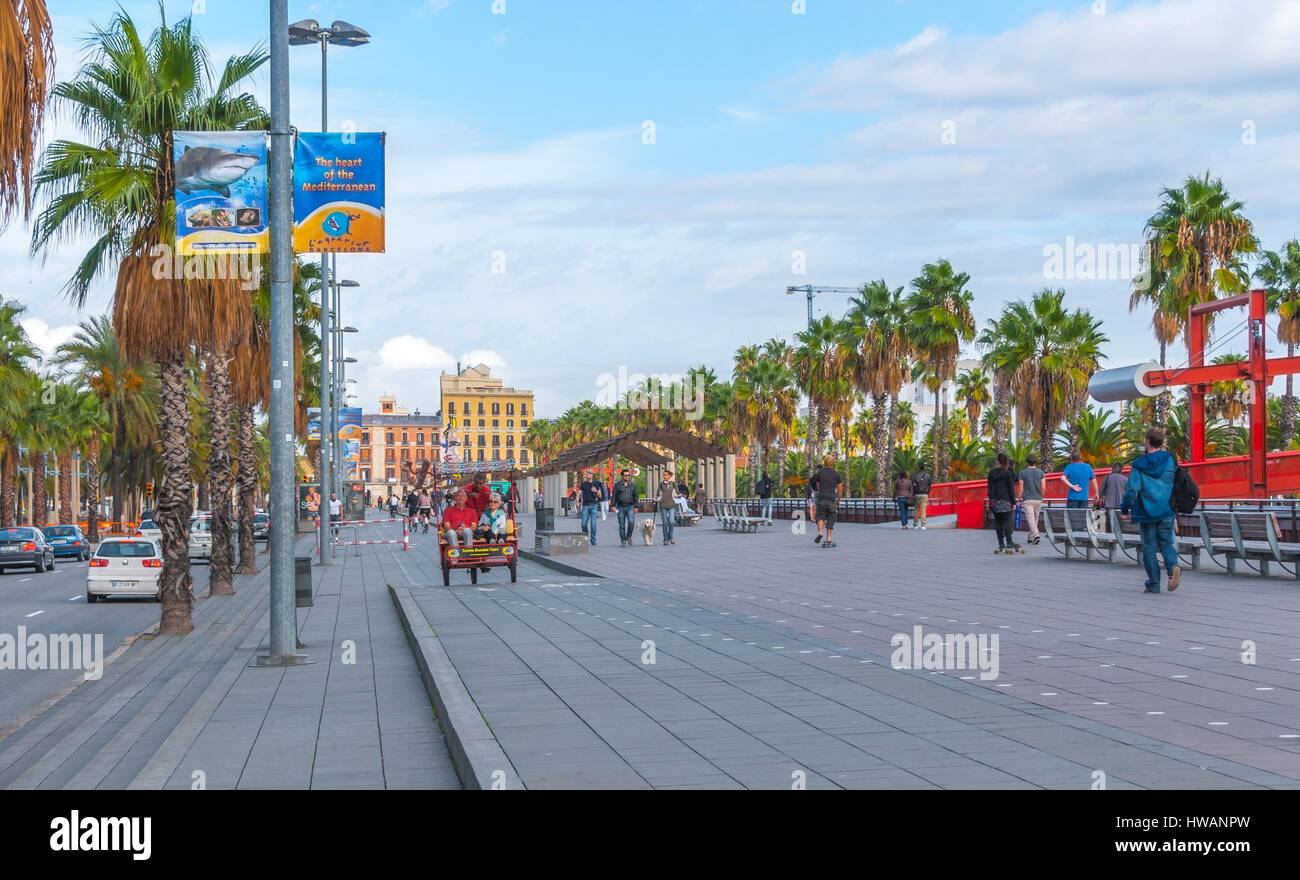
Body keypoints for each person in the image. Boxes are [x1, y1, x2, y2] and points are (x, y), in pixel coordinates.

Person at [1120, 428, 1181, 594]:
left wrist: (1125, 508)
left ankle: (1153, 584)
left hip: (1146, 512)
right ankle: (1173, 567)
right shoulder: (1170, 460)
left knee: (1149, 548)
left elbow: (1132, 489)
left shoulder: (1139, 464)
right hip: (1167, 509)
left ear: (1147, 441)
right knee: (1167, 543)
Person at [987, 453, 1020, 553]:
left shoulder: (992, 473)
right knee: (1006, 521)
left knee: (998, 522)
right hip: (1005, 500)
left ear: (998, 461)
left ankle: (1001, 543)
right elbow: (1011, 489)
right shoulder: (1008, 473)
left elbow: (989, 486)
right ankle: (1009, 542)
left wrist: (991, 498)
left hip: (994, 500)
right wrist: (1013, 502)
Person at [1016, 453, 1046, 545]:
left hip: (1027, 499)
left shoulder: (1022, 473)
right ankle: (1031, 537)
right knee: (1035, 518)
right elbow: (1043, 487)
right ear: (1036, 462)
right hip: (1038, 498)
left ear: (1027, 462)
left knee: (1030, 519)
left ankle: (1036, 535)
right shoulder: (1041, 473)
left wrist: (1018, 498)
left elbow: (1021, 488)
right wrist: (1042, 496)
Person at [813, 454, 841, 548]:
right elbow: (840, 488)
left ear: (825, 463)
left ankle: (820, 532)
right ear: (833, 463)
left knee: (820, 516)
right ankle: (828, 538)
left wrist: (821, 492)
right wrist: (839, 500)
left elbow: (818, 486)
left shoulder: (819, 473)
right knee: (831, 518)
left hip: (821, 498)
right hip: (831, 499)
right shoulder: (836, 474)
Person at [613, 469, 638, 547]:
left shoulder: (632, 485)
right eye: (625, 475)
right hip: (620, 507)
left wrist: (636, 507)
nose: (627, 477)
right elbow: (614, 496)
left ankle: (629, 535)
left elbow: (636, 497)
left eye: (628, 475)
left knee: (631, 522)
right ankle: (623, 541)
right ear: (622, 476)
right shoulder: (617, 485)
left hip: (630, 506)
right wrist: (613, 506)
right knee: (622, 525)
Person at [578, 469, 602, 545]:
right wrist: (577, 501)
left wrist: (595, 491)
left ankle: (593, 540)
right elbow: (579, 493)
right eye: (586, 474)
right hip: (585, 506)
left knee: (593, 524)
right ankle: (585, 536)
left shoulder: (596, 483)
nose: (586, 475)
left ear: (592, 475)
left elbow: (600, 496)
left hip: (594, 505)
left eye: (588, 474)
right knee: (583, 524)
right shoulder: (583, 484)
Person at [657, 470, 677, 545]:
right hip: (663, 505)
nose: (664, 476)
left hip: (671, 505)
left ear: (669, 476)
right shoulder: (661, 484)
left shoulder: (673, 484)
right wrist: (657, 499)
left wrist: (679, 495)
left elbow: (675, 493)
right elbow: (660, 495)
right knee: (665, 523)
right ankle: (665, 539)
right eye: (663, 475)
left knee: (671, 522)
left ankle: (671, 537)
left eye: (666, 475)